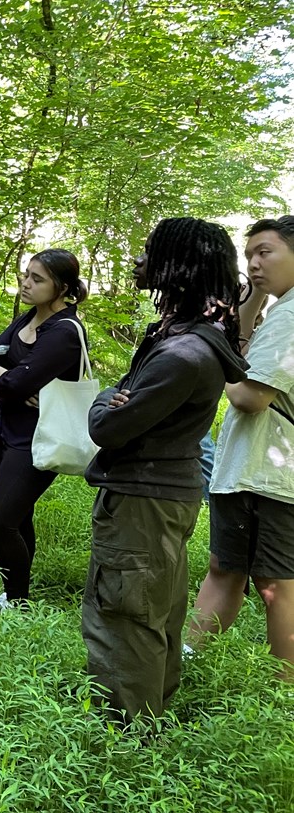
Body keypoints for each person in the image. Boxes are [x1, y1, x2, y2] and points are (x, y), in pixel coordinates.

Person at [82, 217, 247, 722]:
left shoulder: (184, 353)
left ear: (181, 269)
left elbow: (107, 428)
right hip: (162, 495)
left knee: (125, 616)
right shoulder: (188, 337)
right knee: (156, 611)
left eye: (151, 251)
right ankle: (149, 715)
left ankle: (124, 736)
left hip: (142, 501)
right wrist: (117, 401)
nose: (137, 260)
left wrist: (105, 399)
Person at [187, 215, 294, 678]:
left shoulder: (291, 316)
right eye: (248, 254)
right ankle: (184, 664)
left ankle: (281, 695)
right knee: (225, 569)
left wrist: (222, 366)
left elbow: (250, 395)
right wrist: (247, 308)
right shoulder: (279, 310)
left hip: (272, 474)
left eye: (265, 252)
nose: (253, 263)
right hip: (249, 470)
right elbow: (243, 355)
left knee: (276, 586)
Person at [0, 249, 88, 609]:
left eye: (37, 279)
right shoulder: (28, 319)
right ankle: (15, 594)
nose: (26, 283)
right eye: (26, 275)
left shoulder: (65, 332)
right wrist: (8, 380)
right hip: (3, 431)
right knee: (18, 517)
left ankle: (16, 600)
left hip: (37, 438)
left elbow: (12, 384)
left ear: (63, 287)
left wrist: (5, 380)